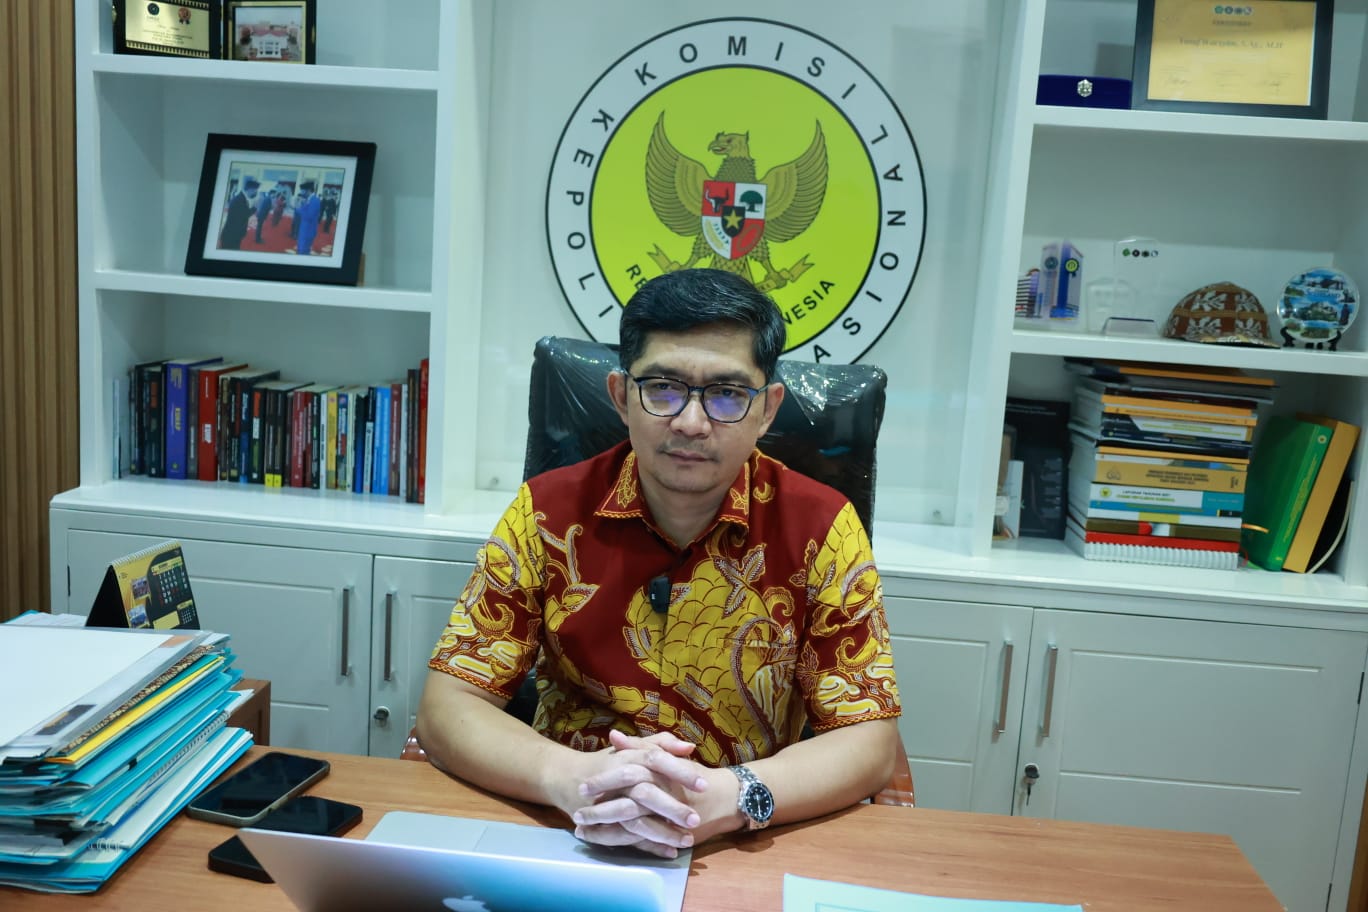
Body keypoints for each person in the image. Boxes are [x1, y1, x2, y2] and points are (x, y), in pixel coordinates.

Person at [417, 268, 901, 860]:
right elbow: (448, 705)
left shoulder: (823, 527)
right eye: (663, 388)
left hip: (736, 842)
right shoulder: (545, 512)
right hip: (562, 830)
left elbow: (868, 740)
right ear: (622, 396)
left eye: (728, 394)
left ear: (768, 409)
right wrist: (571, 779)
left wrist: (731, 797)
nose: (691, 423)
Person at [218, 176, 259, 250]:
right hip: (231, 236)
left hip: (233, 235)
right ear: (251, 189)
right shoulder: (240, 200)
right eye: (255, 190)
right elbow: (244, 215)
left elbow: (243, 213)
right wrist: (255, 207)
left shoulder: (241, 198)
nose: (255, 192)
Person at [293, 179, 321, 255]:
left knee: (303, 252)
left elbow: (309, 216)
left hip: (308, 231)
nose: (302, 192)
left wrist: (298, 209)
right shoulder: (308, 199)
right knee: (301, 250)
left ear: (308, 190)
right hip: (304, 229)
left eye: (303, 190)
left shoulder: (315, 200)